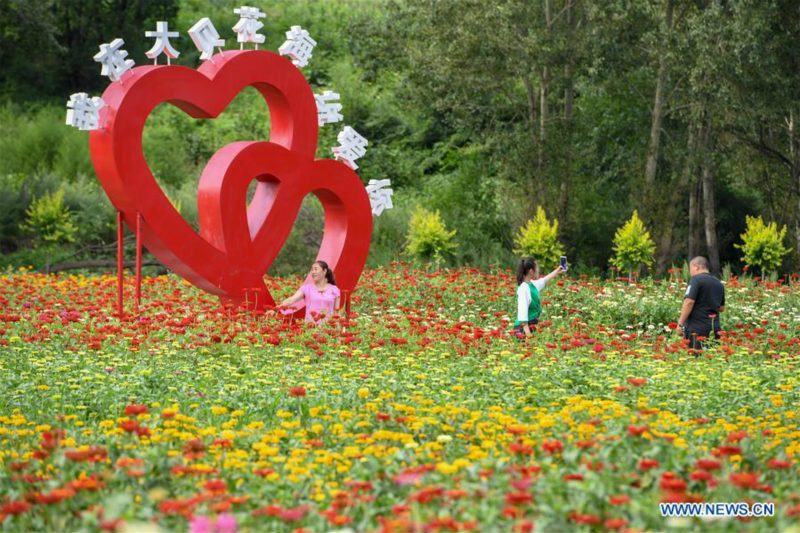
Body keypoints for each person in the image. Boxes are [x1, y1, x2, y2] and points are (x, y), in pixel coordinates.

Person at [677, 256, 725, 352]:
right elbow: (721, 308)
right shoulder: (718, 283)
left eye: (690, 269)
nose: (690, 273)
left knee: (695, 360)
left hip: (697, 329)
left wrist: (680, 324)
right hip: (714, 328)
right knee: (712, 360)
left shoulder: (696, 280)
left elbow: (689, 302)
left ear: (696, 267)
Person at [514, 257, 565, 338]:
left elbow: (544, 280)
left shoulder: (531, 284)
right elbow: (522, 315)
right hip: (523, 330)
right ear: (531, 271)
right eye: (536, 267)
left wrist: (557, 271)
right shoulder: (523, 289)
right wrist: (529, 337)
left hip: (531, 325)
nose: (538, 269)